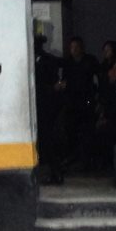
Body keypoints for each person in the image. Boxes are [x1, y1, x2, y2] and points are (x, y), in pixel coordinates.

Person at [56, 36, 100, 171]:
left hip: (86, 101)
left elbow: (93, 81)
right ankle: (72, 157)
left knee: (87, 131)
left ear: (82, 48)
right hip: (71, 102)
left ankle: (87, 160)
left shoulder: (90, 61)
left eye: (76, 47)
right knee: (69, 130)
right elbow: (64, 81)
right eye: (71, 48)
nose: (73, 50)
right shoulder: (68, 62)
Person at [33, 34, 64, 184]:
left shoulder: (39, 60)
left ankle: (52, 173)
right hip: (48, 104)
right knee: (48, 140)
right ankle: (53, 173)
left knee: (46, 141)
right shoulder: (49, 59)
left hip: (42, 104)